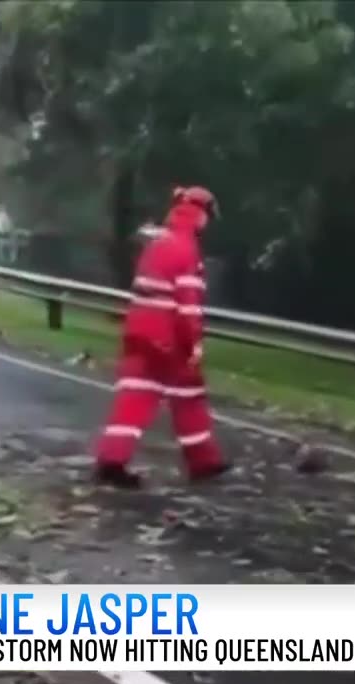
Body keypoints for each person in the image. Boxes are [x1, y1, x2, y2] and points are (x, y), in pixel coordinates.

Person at [93, 186, 232, 488]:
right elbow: (188, 304)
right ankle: (203, 461)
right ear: (201, 215)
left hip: (139, 330)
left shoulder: (157, 244)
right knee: (189, 394)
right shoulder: (187, 249)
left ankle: (111, 459)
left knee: (135, 396)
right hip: (167, 336)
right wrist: (193, 343)